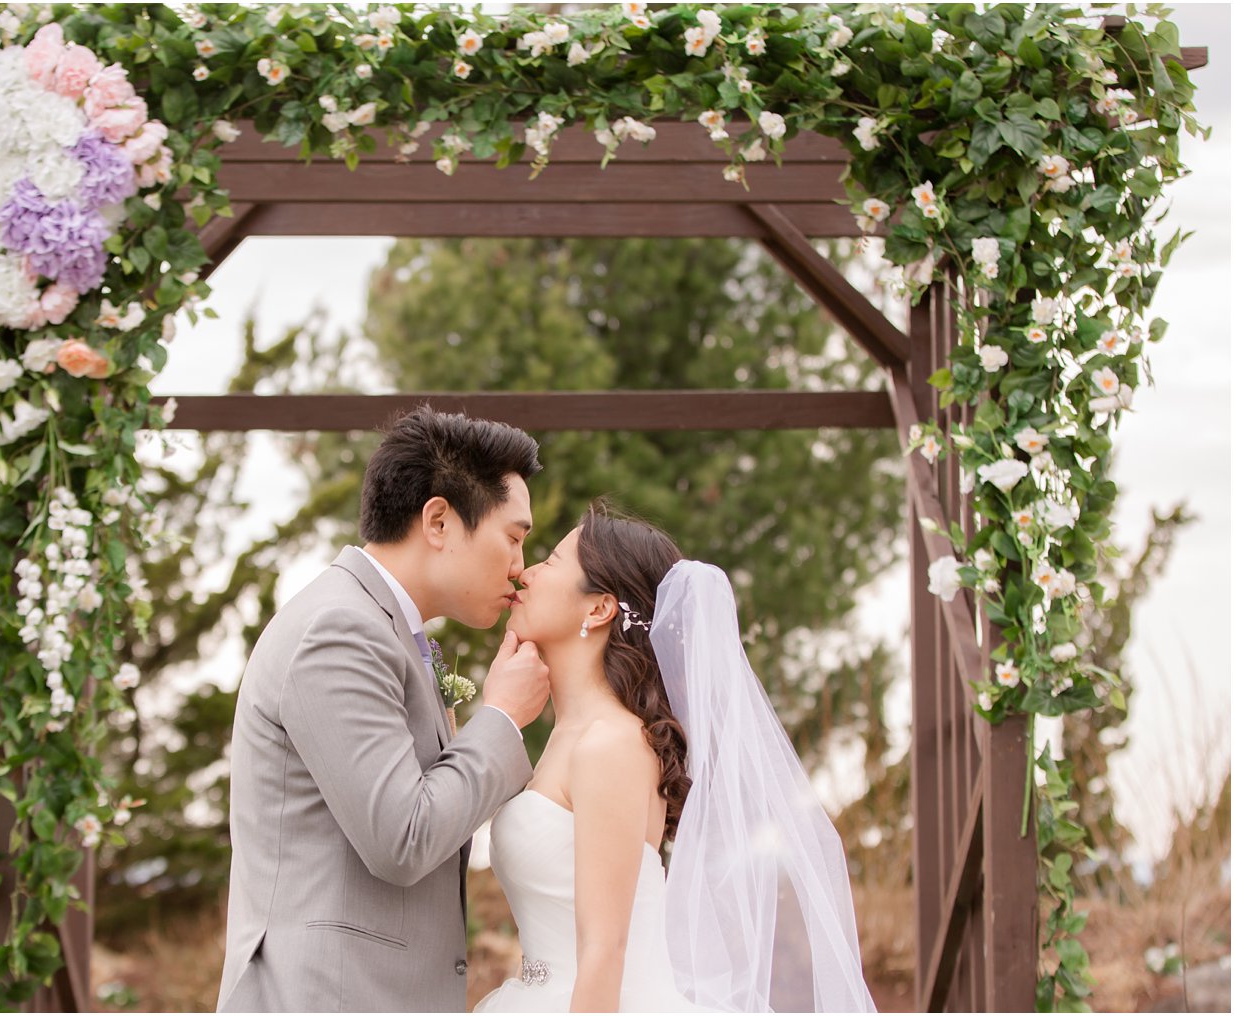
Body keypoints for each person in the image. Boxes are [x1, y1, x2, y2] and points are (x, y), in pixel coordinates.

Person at [474, 502, 877, 1013]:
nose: (525, 572)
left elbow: (604, 951)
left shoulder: (611, 744)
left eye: (550, 561)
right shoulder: (569, 734)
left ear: (598, 608)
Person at [216, 406, 552, 1013]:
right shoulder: (342, 628)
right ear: (440, 521)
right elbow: (403, 837)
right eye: (514, 537)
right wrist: (501, 717)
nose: (519, 567)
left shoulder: (390, 629)